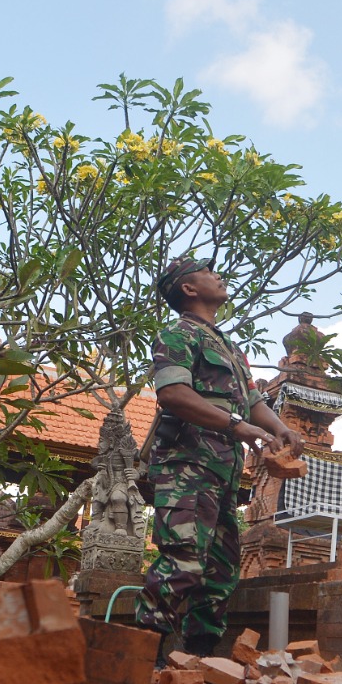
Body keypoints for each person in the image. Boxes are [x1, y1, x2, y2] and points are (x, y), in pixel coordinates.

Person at [134, 256, 303, 662]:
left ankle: (200, 665)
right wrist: (236, 427)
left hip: (222, 474)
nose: (218, 276)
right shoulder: (177, 335)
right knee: (184, 560)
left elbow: (253, 401)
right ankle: (142, 662)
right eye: (208, 273)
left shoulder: (227, 345)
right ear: (188, 289)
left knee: (221, 574)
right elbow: (173, 395)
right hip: (185, 467)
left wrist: (280, 428)